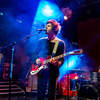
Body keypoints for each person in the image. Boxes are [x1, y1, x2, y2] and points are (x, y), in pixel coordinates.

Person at [32, 19, 65, 100]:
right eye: (46, 25)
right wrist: (36, 60)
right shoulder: (41, 41)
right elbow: (33, 53)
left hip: (53, 71)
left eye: (49, 26)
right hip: (42, 70)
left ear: (54, 29)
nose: (46, 27)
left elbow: (61, 59)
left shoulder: (60, 43)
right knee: (40, 94)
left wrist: (57, 63)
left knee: (51, 94)